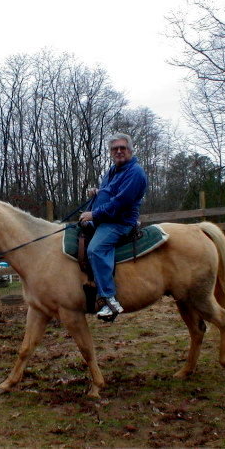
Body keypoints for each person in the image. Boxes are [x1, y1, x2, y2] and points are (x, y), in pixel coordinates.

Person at [79, 133, 148, 320]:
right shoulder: (113, 170)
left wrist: (94, 214)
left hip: (120, 221)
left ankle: (110, 300)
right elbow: (111, 193)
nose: (118, 151)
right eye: (114, 149)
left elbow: (121, 202)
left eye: (122, 148)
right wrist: (98, 192)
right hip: (106, 218)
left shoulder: (135, 172)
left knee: (95, 249)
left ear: (130, 150)